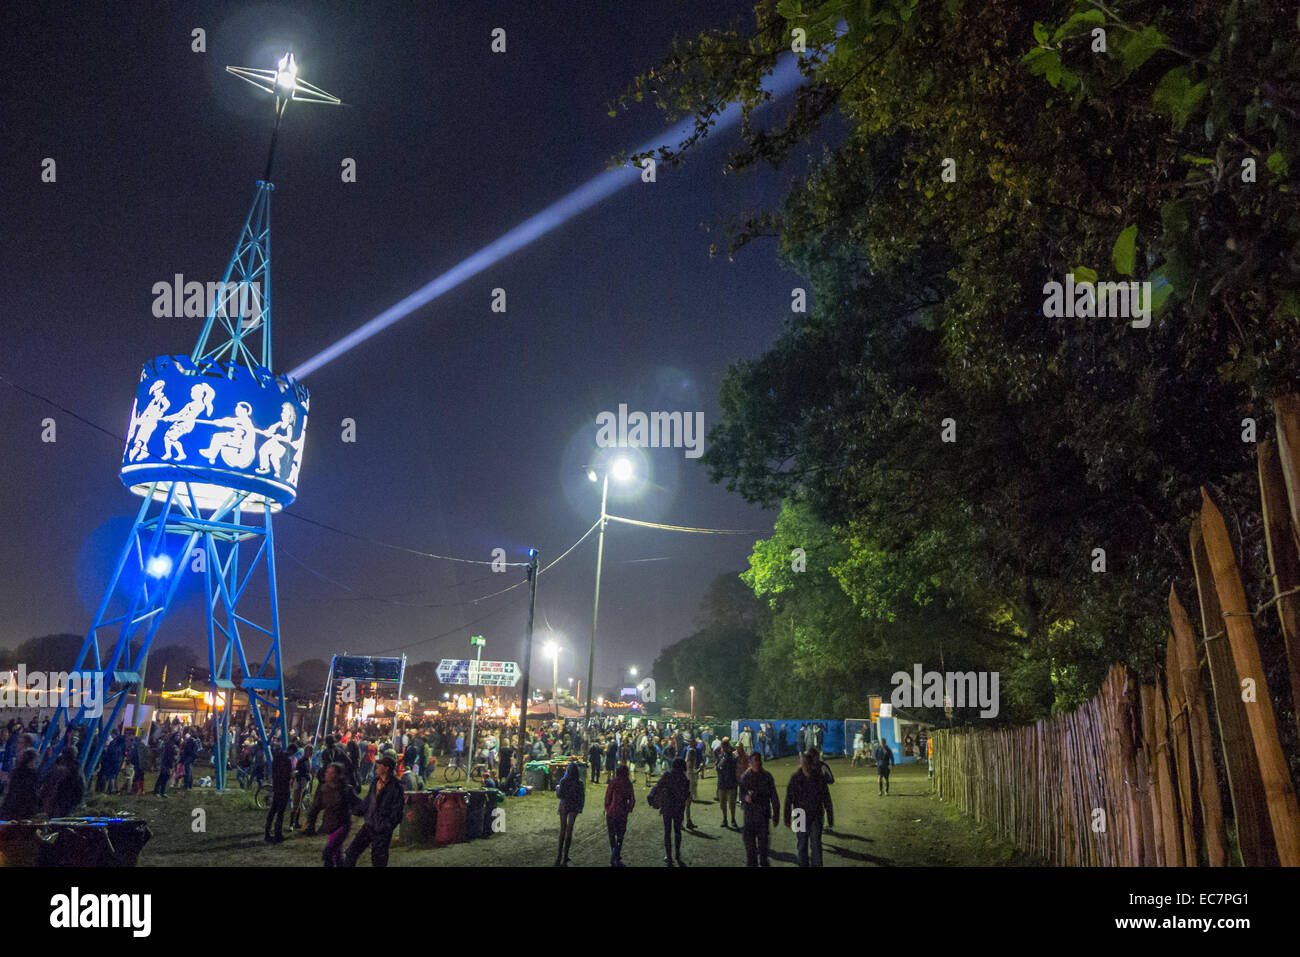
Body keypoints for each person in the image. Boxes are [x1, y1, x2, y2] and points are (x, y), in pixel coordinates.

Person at [345, 753, 405, 867]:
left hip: (382, 830)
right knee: (351, 853)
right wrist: (358, 812)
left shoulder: (396, 787)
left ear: (387, 768)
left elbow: (397, 811)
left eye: (380, 765)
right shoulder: (375, 782)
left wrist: (386, 826)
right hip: (369, 825)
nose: (377, 767)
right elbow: (368, 801)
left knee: (378, 860)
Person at [784, 747, 835, 867]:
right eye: (804, 763)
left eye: (807, 763)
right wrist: (786, 816)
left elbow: (826, 798)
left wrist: (830, 816)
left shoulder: (819, 778)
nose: (806, 765)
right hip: (800, 815)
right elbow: (789, 799)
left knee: (816, 845)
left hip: (815, 815)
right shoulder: (795, 778)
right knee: (802, 844)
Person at [305, 762, 363, 867]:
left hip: (342, 825)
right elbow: (316, 806)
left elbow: (359, 803)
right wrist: (310, 819)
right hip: (330, 824)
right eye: (327, 772)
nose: (327, 774)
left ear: (338, 775)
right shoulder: (324, 789)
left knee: (329, 852)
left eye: (331, 773)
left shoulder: (346, 789)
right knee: (337, 853)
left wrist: (356, 813)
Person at [738, 752, 780, 867]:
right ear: (750, 763)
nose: (757, 762)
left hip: (763, 816)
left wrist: (776, 815)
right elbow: (741, 793)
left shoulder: (767, 777)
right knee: (750, 850)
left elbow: (774, 796)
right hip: (750, 817)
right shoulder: (745, 777)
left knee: (763, 849)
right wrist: (745, 798)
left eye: (758, 760)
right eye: (754, 760)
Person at [650, 756, 690, 866]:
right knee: (677, 832)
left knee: (667, 832)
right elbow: (687, 794)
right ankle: (677, 854)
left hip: (667, 807)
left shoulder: (667, 776)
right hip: (679, 808)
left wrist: (652, 796)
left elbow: (657, 786)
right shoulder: (684, 779)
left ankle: (669, 855)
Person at [40, 746, 86, 818]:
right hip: (65, 803)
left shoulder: (59, 769)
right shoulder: (77, 770)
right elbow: (80, 789)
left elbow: (47, 782)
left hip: (58, 802)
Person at [603, 764, 635, 866]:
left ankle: (614, 854)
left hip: (612, 813)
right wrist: (628, 809)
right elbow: (632, 799)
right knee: (620, 836)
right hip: (622, 813)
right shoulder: (628, 783)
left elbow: (607, 798)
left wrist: (607, 808)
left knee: (612, 836)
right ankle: (616, 855)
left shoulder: (613, 783)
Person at [555, 761, 585, 866]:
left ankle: (559, 856)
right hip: (574, 806)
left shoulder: (563, 781)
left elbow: (559, 795)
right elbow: (582, 797)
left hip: (564, 805)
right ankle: (565, 856)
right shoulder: (580, 783)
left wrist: (557, 789)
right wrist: (580, 808)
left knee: (563, 829)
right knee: (569, 830)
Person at [266, 743, 295, 843]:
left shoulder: (277, 756)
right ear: (292, 751)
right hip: (284, 788)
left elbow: (274, 771)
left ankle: (267, 832)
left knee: (273, 810)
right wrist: (292, 775)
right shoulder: (287, 761)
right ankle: (278, 834)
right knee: (280, 813)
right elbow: (287, 775)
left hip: (276, 786)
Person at [0, 748, 40, 819]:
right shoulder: (34, 774)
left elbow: (9, 792)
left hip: (11, 807)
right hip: (25, 808)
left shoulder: (16, 772)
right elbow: (33, 793)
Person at [716, 739, 739, 828]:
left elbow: (735, 764)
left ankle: (732, 819)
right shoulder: (721, 756)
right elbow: (717, 767)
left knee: (731, 803)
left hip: (730, 782)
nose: (723, 749)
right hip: (723, 782)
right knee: (723, 803)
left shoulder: (732, 756)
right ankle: (725, 819)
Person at [290, 744, 314, 830]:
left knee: (299, 804)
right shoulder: (302, 761)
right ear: (306, 751)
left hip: (304, 784)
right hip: (300, 784)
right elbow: (298, 773)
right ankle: (291, 824)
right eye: (310, 751)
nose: (311, 753)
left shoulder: (308, 760)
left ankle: (296, 822)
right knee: (296, 804)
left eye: (312, 751)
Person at [153, 731, 177, 797]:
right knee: (163, 777)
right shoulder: (169, 744)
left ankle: (161, 791)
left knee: (165, 777)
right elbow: (168, 755)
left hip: (166, 763)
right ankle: (158, 791)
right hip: (165, 762)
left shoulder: (171, 744)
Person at [683, 745, 699, 829]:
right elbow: (691, 772)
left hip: (687, 783)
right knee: (687, 803)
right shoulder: (690, 763)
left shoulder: (687, 762)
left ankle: (687, 821)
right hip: (689, 784)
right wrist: (699, 769)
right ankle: (687, 821)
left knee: (686, 803)